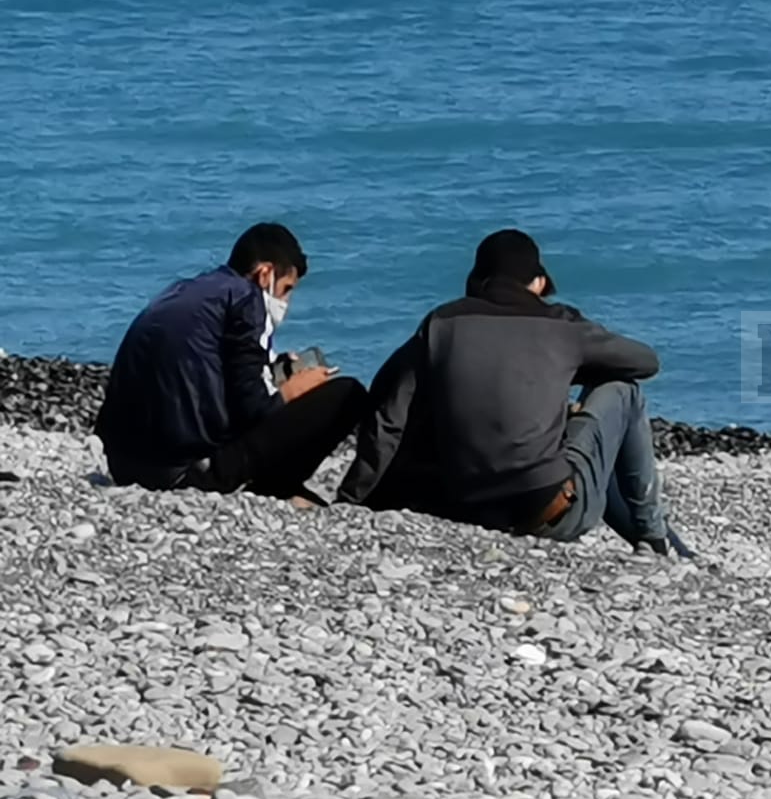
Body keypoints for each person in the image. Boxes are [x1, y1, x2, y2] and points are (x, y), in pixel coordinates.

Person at [337, 229, 690, 556]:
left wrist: (353, 499)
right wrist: (573, 365)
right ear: (537, 283)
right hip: (547, 512)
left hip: (466, 507)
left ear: (475, 280)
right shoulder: (563, 326)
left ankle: (660, 539)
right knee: (623, 391)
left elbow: (388, 417)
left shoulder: (441, 324)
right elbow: (646, 362)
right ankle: (653, 536)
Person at [96, 222, 366, 505]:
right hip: (185, 472)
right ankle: (276, 487)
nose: (286, 301)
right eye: (286, 289)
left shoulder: (187, 291)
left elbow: (214, 370)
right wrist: (294, 389)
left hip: (125, 465)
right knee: (348, 394)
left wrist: (275, 369)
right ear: (265, 274)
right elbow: (254, 409)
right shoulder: (247, 298)